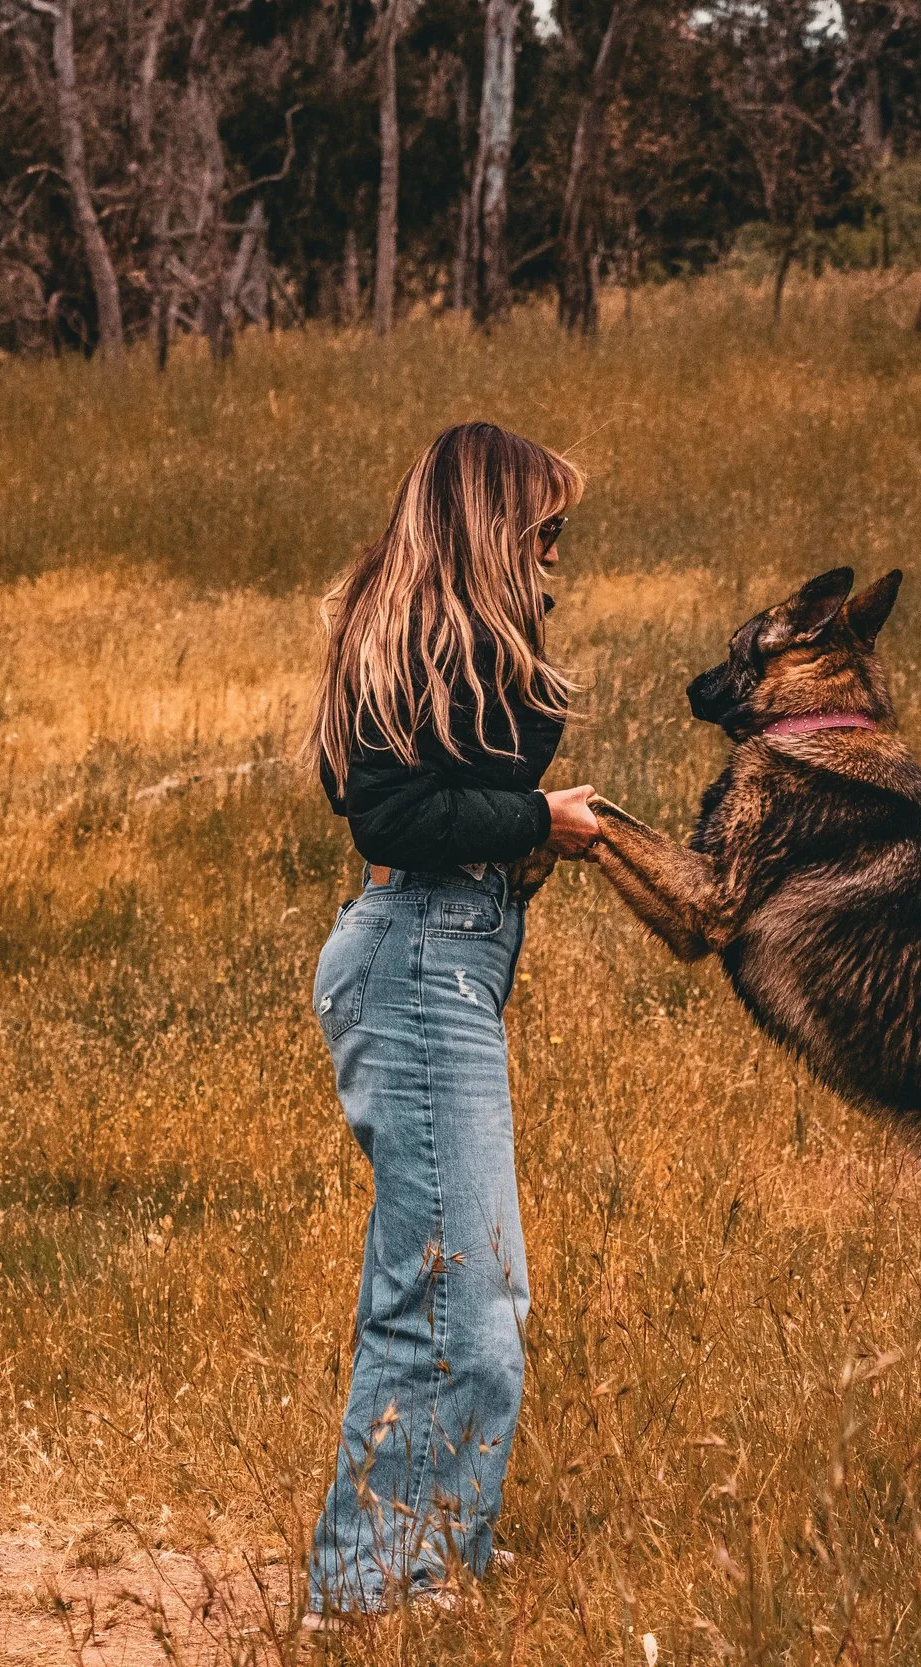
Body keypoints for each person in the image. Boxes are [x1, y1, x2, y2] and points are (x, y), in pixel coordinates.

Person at [302, 422, 602, 1621]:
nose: (553, 556)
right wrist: (537, 820)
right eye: (542, 531)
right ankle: (371, 1588)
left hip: (444, 957)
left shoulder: (435, 637)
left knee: (467, 1285)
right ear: (493, 523)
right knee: (456, 1294)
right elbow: (390, 816)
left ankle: (430, 1560)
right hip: (422, 953)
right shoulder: (419, 637)